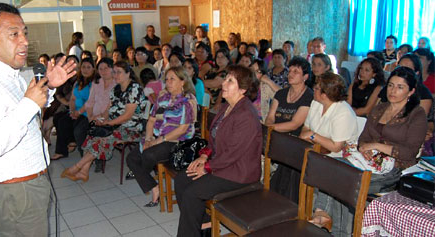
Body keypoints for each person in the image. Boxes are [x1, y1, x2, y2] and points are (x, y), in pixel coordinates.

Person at [0, 3, 77, 236]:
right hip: (16, 191)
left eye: (24, 33)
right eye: (14, 34)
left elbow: (24, 112)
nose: (25, 41)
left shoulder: (7, 73)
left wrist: (48, 86)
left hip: (28, 184)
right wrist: (29, 103)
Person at [174, 65, 262, 236]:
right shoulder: (226, 106)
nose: (224, 83)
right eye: (226, 78)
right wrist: (204, 157)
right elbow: (215, 139)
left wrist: (206, 168)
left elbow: (233, 153)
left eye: (230, 81)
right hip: (222, 164)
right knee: (181, 179)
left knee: (192, 192)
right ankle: (204, 223)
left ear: (243, 89)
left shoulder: (245, 115)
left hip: (239, 173)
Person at [62, 61, 146, 181]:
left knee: (104, 138)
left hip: (131, 128)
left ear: (128, 73)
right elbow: (108, 110)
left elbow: (127, 115)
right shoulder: (116, 89)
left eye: (119, 72)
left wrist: (109, 123)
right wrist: (101, 119)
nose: (116, 75)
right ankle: (84, 171)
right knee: (92, 132)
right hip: (115, 125)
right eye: (115, 72)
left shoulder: (134, 88)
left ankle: (77, 167)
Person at [127, 66, 197, 207]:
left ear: (182, 82)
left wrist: (158, 141)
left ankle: (144, 175)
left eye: (173, 79)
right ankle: (154, 187)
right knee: (132, 158)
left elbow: (183, 128)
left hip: (177, 140)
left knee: (148, 155)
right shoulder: (163, 98)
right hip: (158, 136)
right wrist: (148, 139)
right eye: (167, 79)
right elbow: (151, 120)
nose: (168, 82)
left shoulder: (187, 101)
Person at [299, 72, 358, 236]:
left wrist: (314, 136)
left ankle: (321, 212)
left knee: (326, 167)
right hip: (320, 151)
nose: (313, 90)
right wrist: (312, 136)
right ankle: (315, 210)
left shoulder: (343, 112)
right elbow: (304, 129)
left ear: (324, 94)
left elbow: (337, 146)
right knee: (312, 160)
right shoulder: (316, 104)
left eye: (317, 88)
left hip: (344, 158)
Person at [358, 67, 427, 193]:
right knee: (334, 168)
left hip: (397, 168)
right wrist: (363, 148)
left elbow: (410, 152)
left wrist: (376, 146)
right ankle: (321, 212)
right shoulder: (379, 109)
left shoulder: (417, 114)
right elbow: (364, 137)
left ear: (411, 91)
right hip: (370, 160)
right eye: (391, 85)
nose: (393, 91)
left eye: (400, 87)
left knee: (351, 180)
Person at [265, 56, 314, 203]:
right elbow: (270, 117)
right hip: (277, 136)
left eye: (296, 71)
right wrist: (269, 127)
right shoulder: (281, 93)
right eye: (290, 70)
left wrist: (270, 129)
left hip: (295, 140)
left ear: (305, 77)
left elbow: (295, 124)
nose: (290, 74)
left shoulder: (308, 96)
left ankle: (283, 200)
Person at [52, 57, 95, 160]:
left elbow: (90, 101)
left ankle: (83, 153)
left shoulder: (94, 83)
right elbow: (72, 99)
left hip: (87, 113)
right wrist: (72, 111)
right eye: (83, 67)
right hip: (76, 111)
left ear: (93, 69)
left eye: (88, 67)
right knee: (62, 121)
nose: (85, 69)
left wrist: (78, 112)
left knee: (77, 126)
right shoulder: (78, 82)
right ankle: (61, 151)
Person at [85, 58, 117, 172]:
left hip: (109, 117)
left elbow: (111, 106)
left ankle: (96, 160)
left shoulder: (116, 84)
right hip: (94, 116)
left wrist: (98, 118)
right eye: (100, 69)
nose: (103, 71)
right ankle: (88, 158)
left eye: (106, 68)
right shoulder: (96, 83)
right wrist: (90, 117)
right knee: (81, 128)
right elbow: (90, 102)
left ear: (112, 69)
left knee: (97, 130)